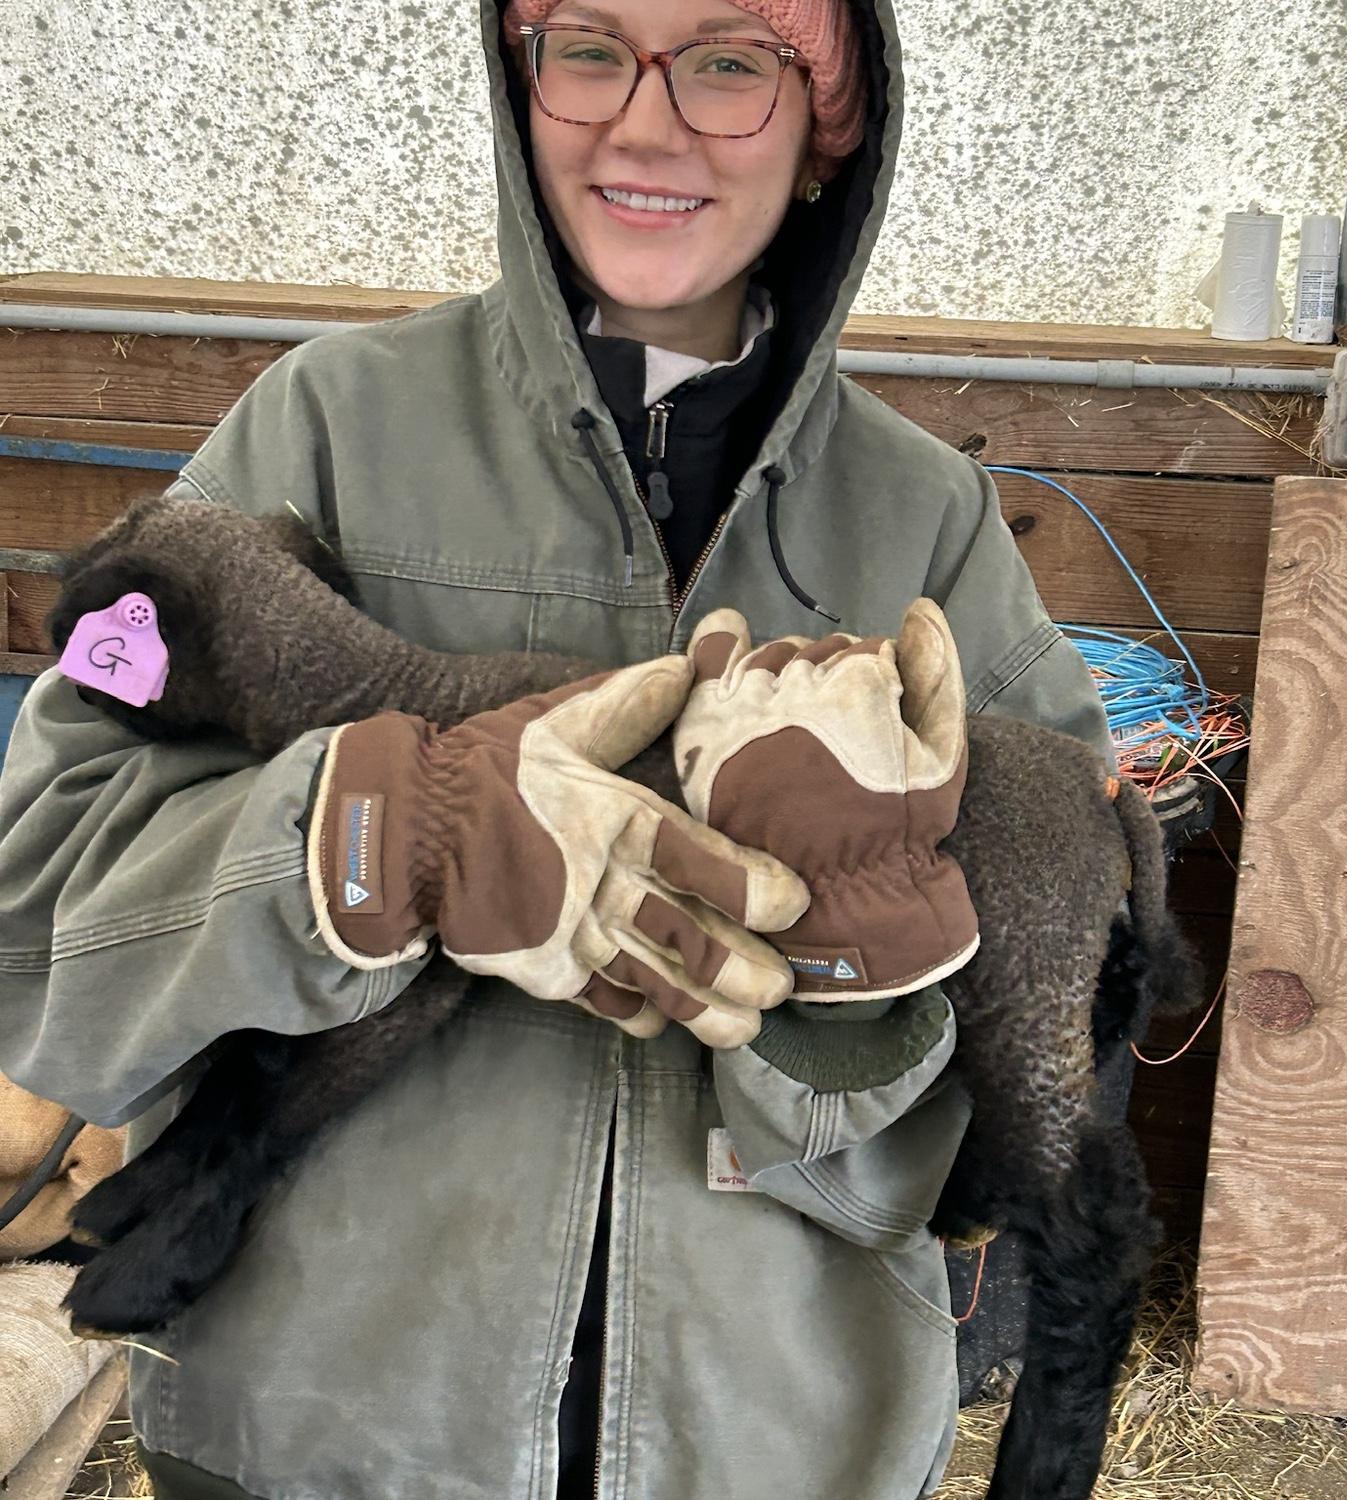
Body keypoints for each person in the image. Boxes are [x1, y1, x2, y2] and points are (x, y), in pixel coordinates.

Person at [0, 1, 1113, 1496]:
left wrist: (847, 979)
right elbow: (35, 935)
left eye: (728, 62)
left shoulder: (929, 525)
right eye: (590, 47)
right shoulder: (325, 433)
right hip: (332, 1431)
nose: (644, 125)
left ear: (826, 122)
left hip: (778, 1439)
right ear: (520, 79)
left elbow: (1063, 985)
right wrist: (373, 841)